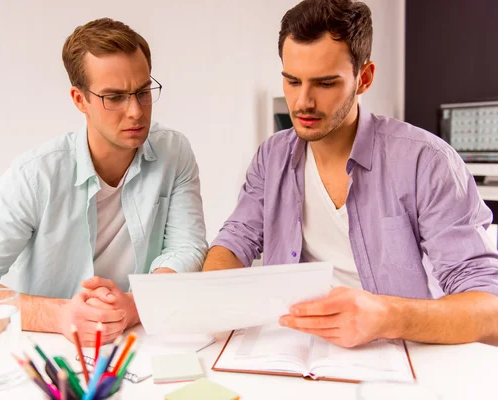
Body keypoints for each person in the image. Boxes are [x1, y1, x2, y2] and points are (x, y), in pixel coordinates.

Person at [203, 0, 498, 347]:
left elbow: (488, 309)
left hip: (398, 352)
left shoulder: (427, 162)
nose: (302, 102)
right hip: (287, 348)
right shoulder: (272, 156)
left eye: (325, 84)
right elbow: (235, 240)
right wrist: (212, 298)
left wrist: (388, 317)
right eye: (292, 81)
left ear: (364, 78)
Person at [0, 18, 208, 345]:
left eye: (143, 91)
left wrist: (135, 306)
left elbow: (186, 247)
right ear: (79, 100)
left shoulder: (174, 152)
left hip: (141, 342)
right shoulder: (37, 175)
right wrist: (60, 314)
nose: (135, 111)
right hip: (49, 350)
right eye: (114, 97)